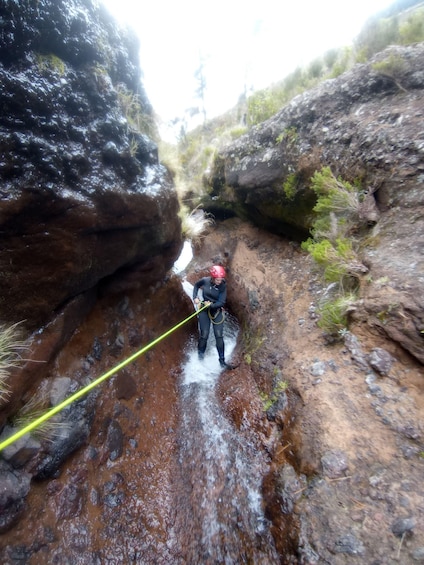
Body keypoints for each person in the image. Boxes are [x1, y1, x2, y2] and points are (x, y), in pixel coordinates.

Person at [193, 265, 228, 368]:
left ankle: (222, 361)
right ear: (213, 278)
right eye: (217, 279)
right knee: (204, 335)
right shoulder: (205, 281)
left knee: (219, 336)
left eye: (221, 279)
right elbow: (196, 286)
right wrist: (195, 297)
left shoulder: (223, 286)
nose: (219, 281)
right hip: (204, 310)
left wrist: (211, 305)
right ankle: (200, 359)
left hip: (216, 310)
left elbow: (221, 302)